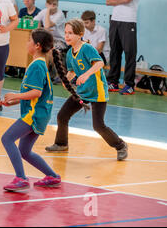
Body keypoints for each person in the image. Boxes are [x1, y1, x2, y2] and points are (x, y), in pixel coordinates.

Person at [45, 19, 128, 161]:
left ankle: (120, 146)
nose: (67, 36)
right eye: (65, 33)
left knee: (98, 126)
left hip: (97, 91)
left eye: (70, 33)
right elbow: (71, 71)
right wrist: (67, 80)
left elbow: (100, 63)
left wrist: (86, 74)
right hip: (82, 92)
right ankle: (61, 144)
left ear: (80, 34)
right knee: (62, 116)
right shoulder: (70, 53)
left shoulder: (87, 48)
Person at [0, 28, 61, 192]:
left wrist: (16, 96)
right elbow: (34, 96)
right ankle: (52, 176)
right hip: (39, 114)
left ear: (37, 45)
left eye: (29, 41)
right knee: (24, 151)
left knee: (7, 139)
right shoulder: (39, 64)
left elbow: (36, 92)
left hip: (34, 115)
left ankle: (21, 178)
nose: (27, 43)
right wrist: (12, 102)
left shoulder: (36, 65)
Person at [106, 0, 143, 95]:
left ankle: (129, 85)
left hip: (129, 21)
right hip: (115, 20)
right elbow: (108, 1)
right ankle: (113, 83)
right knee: (115, 52)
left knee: (129, 54)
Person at [34, 0, 67, 84]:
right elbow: (35, 21)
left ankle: (59, 75)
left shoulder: (60, 14)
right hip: (47, 38)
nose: (53, 6)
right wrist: (40, 29)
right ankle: (40, 73)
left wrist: (48, 10)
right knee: (36, 48)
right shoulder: (43, 11)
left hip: (59, 40)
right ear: (47, 4)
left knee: (51, 51)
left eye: (55, 4)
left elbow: (48, 25)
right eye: (51, 4)